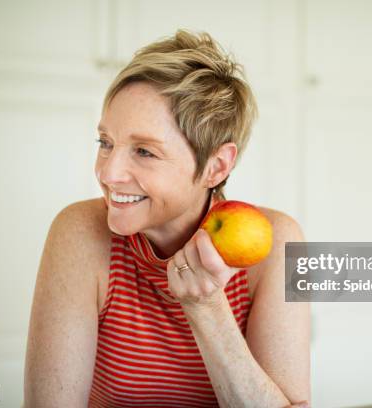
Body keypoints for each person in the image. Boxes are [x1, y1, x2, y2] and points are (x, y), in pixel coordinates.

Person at [23, 29, 310, 408]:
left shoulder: (277, 244)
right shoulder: (79, 232)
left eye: (144, 151)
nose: (108, 174)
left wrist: (206, 307)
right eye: (105, 143)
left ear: (216, 166)